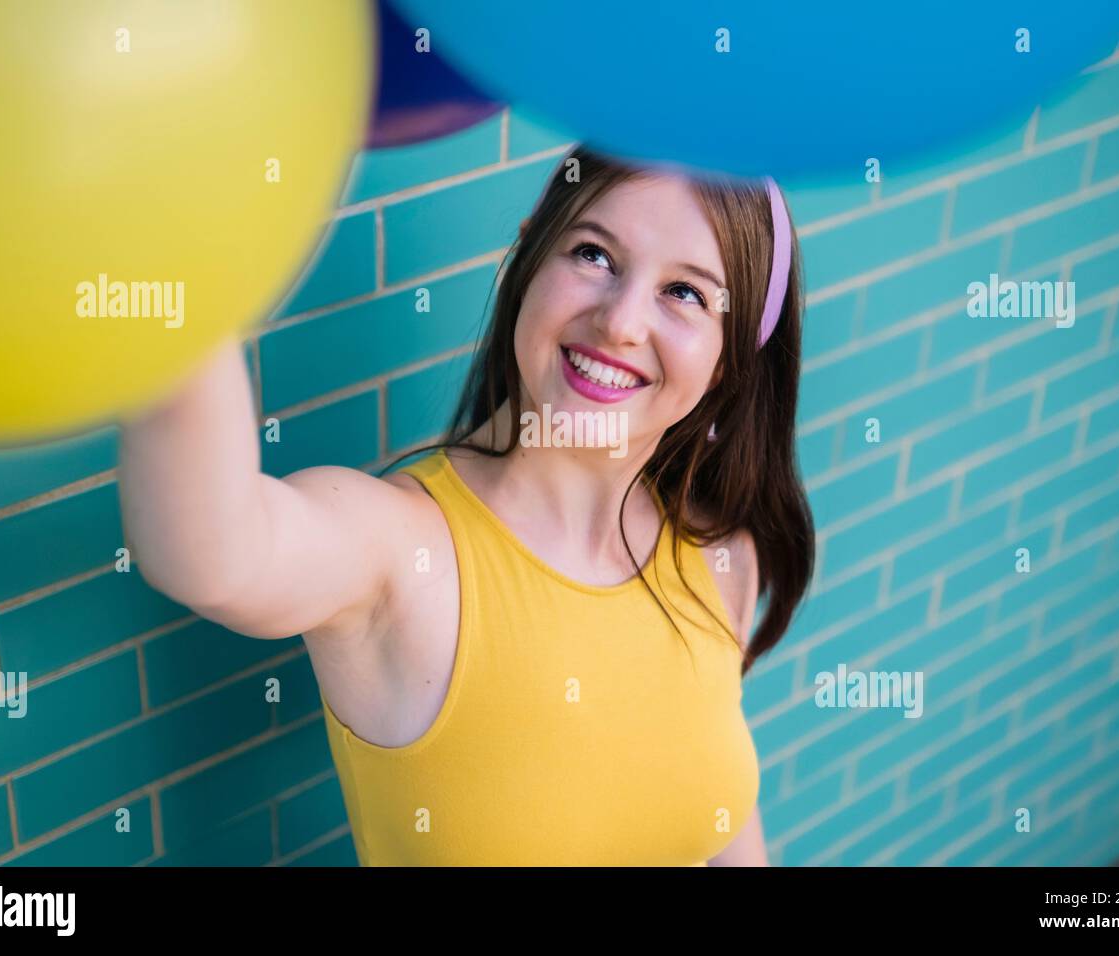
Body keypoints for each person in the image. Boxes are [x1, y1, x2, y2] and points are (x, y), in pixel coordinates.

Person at [117, 143, 815, 866]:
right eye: (593, 254)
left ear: (730, 359)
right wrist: (173, 278)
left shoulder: (718, 554)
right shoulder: (397, 552)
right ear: (528, 260)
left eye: (686, 293)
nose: (621, 322)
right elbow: (209, 555)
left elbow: (720, 830)